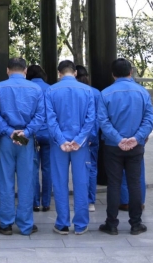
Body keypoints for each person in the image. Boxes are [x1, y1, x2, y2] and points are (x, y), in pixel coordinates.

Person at [98, 58, 153, 236]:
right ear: (131, 72)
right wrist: (136, 138)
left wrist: (118, 139)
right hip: (135, 146)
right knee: (134, 184)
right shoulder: (142, 92)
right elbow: (149, 120)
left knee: (114, 184)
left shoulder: (105, 94)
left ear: (113, 74)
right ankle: (136, 224)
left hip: (113, 146)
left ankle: (111, 224)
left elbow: (103, 121)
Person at [0, 57, 45, 236]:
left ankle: (6, 223)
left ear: (7, 70)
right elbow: (40, 116)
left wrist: (9, 132)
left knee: (5, 181)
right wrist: (26, 133)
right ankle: (26, 224)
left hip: (6, 139)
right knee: (26, 181)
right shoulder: (36, 89)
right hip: (25, 140)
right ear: (25, 70)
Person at [46, 60, 96, 235]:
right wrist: (79, 140)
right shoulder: (88, 91)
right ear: (75, 73)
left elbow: (50, 120)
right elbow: (90, 120)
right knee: (81, 182)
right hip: (79, 146)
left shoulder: (50, 91)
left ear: (59, 73)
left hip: (58, 145)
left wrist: (61, 140)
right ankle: (81, 225)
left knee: (59, 182)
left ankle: (62, 224)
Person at [75, 64, 100, 212]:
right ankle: (90, 201)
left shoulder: (74, 92)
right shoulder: (95, 92)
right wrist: (92, 135)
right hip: (92, 136)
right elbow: (98, 117)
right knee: (91, 167)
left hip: (75, 137)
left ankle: (81, 199)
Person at [27, 64, 52, 212]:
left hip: (32, 135)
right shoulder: (51, 89)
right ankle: (46, 202)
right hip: (49, 134)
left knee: (33, 169)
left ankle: (35, 202)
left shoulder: (27, 88)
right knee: (48, 169)